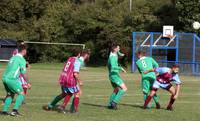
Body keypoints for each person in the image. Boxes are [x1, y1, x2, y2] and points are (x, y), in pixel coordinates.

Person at [1, 44, 29, 116]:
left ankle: (4, 111)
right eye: (26, 50)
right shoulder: (21, 59)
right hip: (12, 79)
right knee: (21, 93)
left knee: (10, 94)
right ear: (24, 51)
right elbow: (23, 72)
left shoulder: (13, 58)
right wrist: (27, 82)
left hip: (5, 78)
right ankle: (14, 111)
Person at [107, 44, 127, 110]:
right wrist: (120, 68)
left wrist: (122, 54)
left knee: (116, 89)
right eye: (118, 48)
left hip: (112, 75)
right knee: (124, 89)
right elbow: (113, 67)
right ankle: (114, 102)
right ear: (115, 49)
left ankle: (110, 104)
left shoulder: (113, 53)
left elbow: (119, 53)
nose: (119, 49)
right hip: (114, 75)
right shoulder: (112, 57)